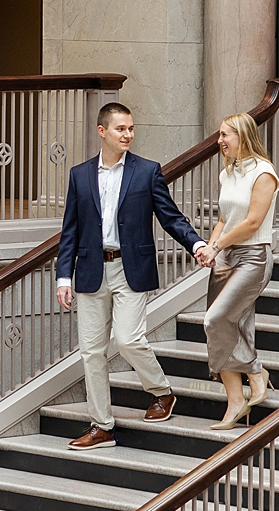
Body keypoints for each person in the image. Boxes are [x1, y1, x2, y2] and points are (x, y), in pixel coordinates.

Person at [56, 101, 213, 450]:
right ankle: (102, 426)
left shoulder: (147, 171)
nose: (128, 134)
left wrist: (197, 244)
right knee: (91, 352)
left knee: (128, 340)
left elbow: (171, 218)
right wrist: (63, 277)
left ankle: (161, 391)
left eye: (130, 128)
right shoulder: (80, 175)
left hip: (131, 268)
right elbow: (70, 231)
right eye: (120, 129)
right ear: (102, 132)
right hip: (91, 271)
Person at [202, 112, 279, 428]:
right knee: (237, 324)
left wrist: (217, 246)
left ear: (243, 136)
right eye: (220, 135)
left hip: (253, 258)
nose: (219, 141)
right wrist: (209, 249)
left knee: (215, 319)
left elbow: (252, 222)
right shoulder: (227, 173)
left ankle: (256, 370)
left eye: (225, 135)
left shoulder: (264, 173)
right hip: (224, 257)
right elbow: (224, 220)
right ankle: (235, 401)